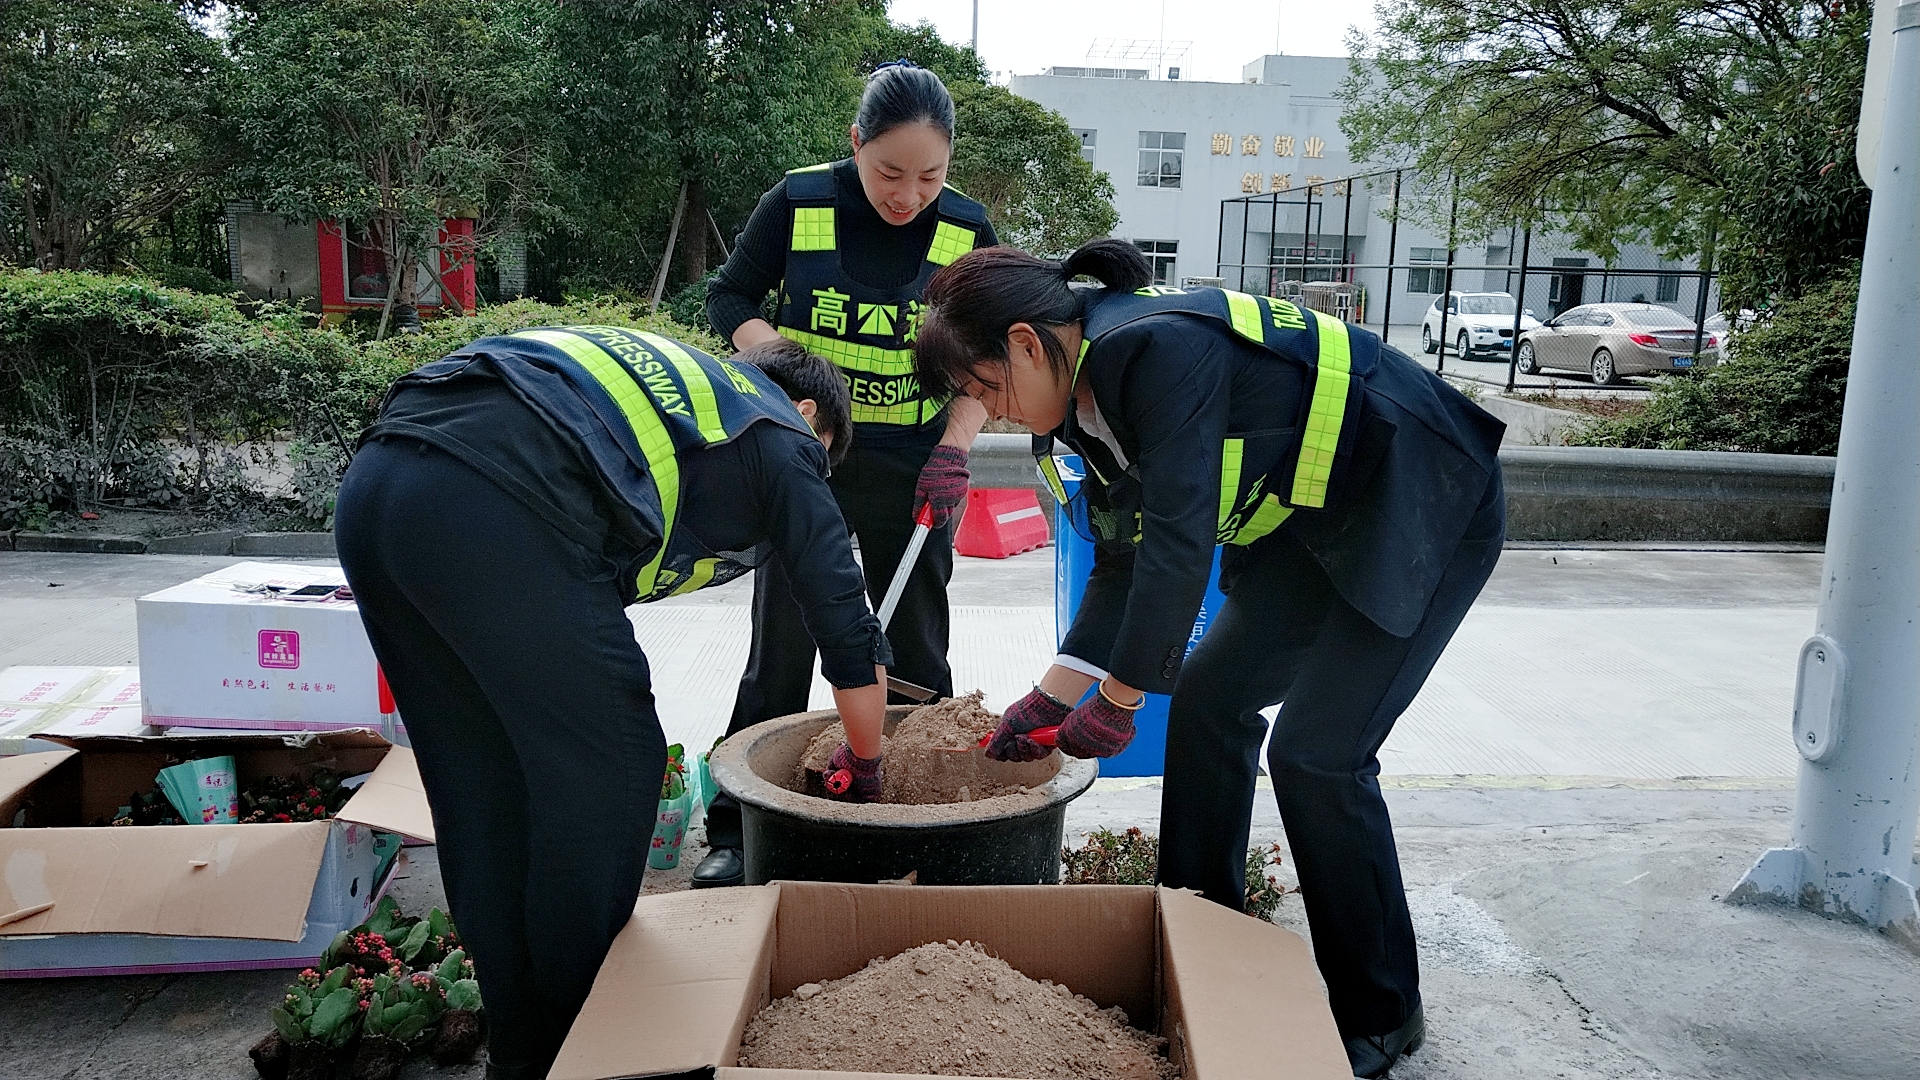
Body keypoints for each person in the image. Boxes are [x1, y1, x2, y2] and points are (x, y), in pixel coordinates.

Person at [911, 241, 1507, 1079]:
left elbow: (1180, 543)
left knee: (1319, 755)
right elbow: (1121, 559)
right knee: (1207, 701)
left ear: (1025, 343)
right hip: (1316, 522)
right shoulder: (1084, 404)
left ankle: (1382, 1010)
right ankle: (1199, 932)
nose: (995, 413)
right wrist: (1051, 697)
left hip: (1423, 499)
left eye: (987, 388)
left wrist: (1119, 700)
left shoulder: (1153, 351)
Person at [334, 327, 892, 1080]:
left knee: (483, 785)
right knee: (614, 766)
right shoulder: (779, 429)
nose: (814, 477)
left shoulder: (683, 400)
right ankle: (589, 1047)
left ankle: (524, 1055)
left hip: (377, 488)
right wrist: (866, 765)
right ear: (806, 412)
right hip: (495, 500)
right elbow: (845, 624)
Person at [695, 60, 999, 889]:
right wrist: (789, 373)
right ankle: (741, 830)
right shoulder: (799, 203)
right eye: (889, 171)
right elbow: (729, 298)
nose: (908, 195)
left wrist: (957, 447)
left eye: (929, 176)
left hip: (915, 468)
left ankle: (924, 823)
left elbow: (990, 357)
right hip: (808, 461)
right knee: (784, 645)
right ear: (856, 142)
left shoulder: (966, 228)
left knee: (919, 653)